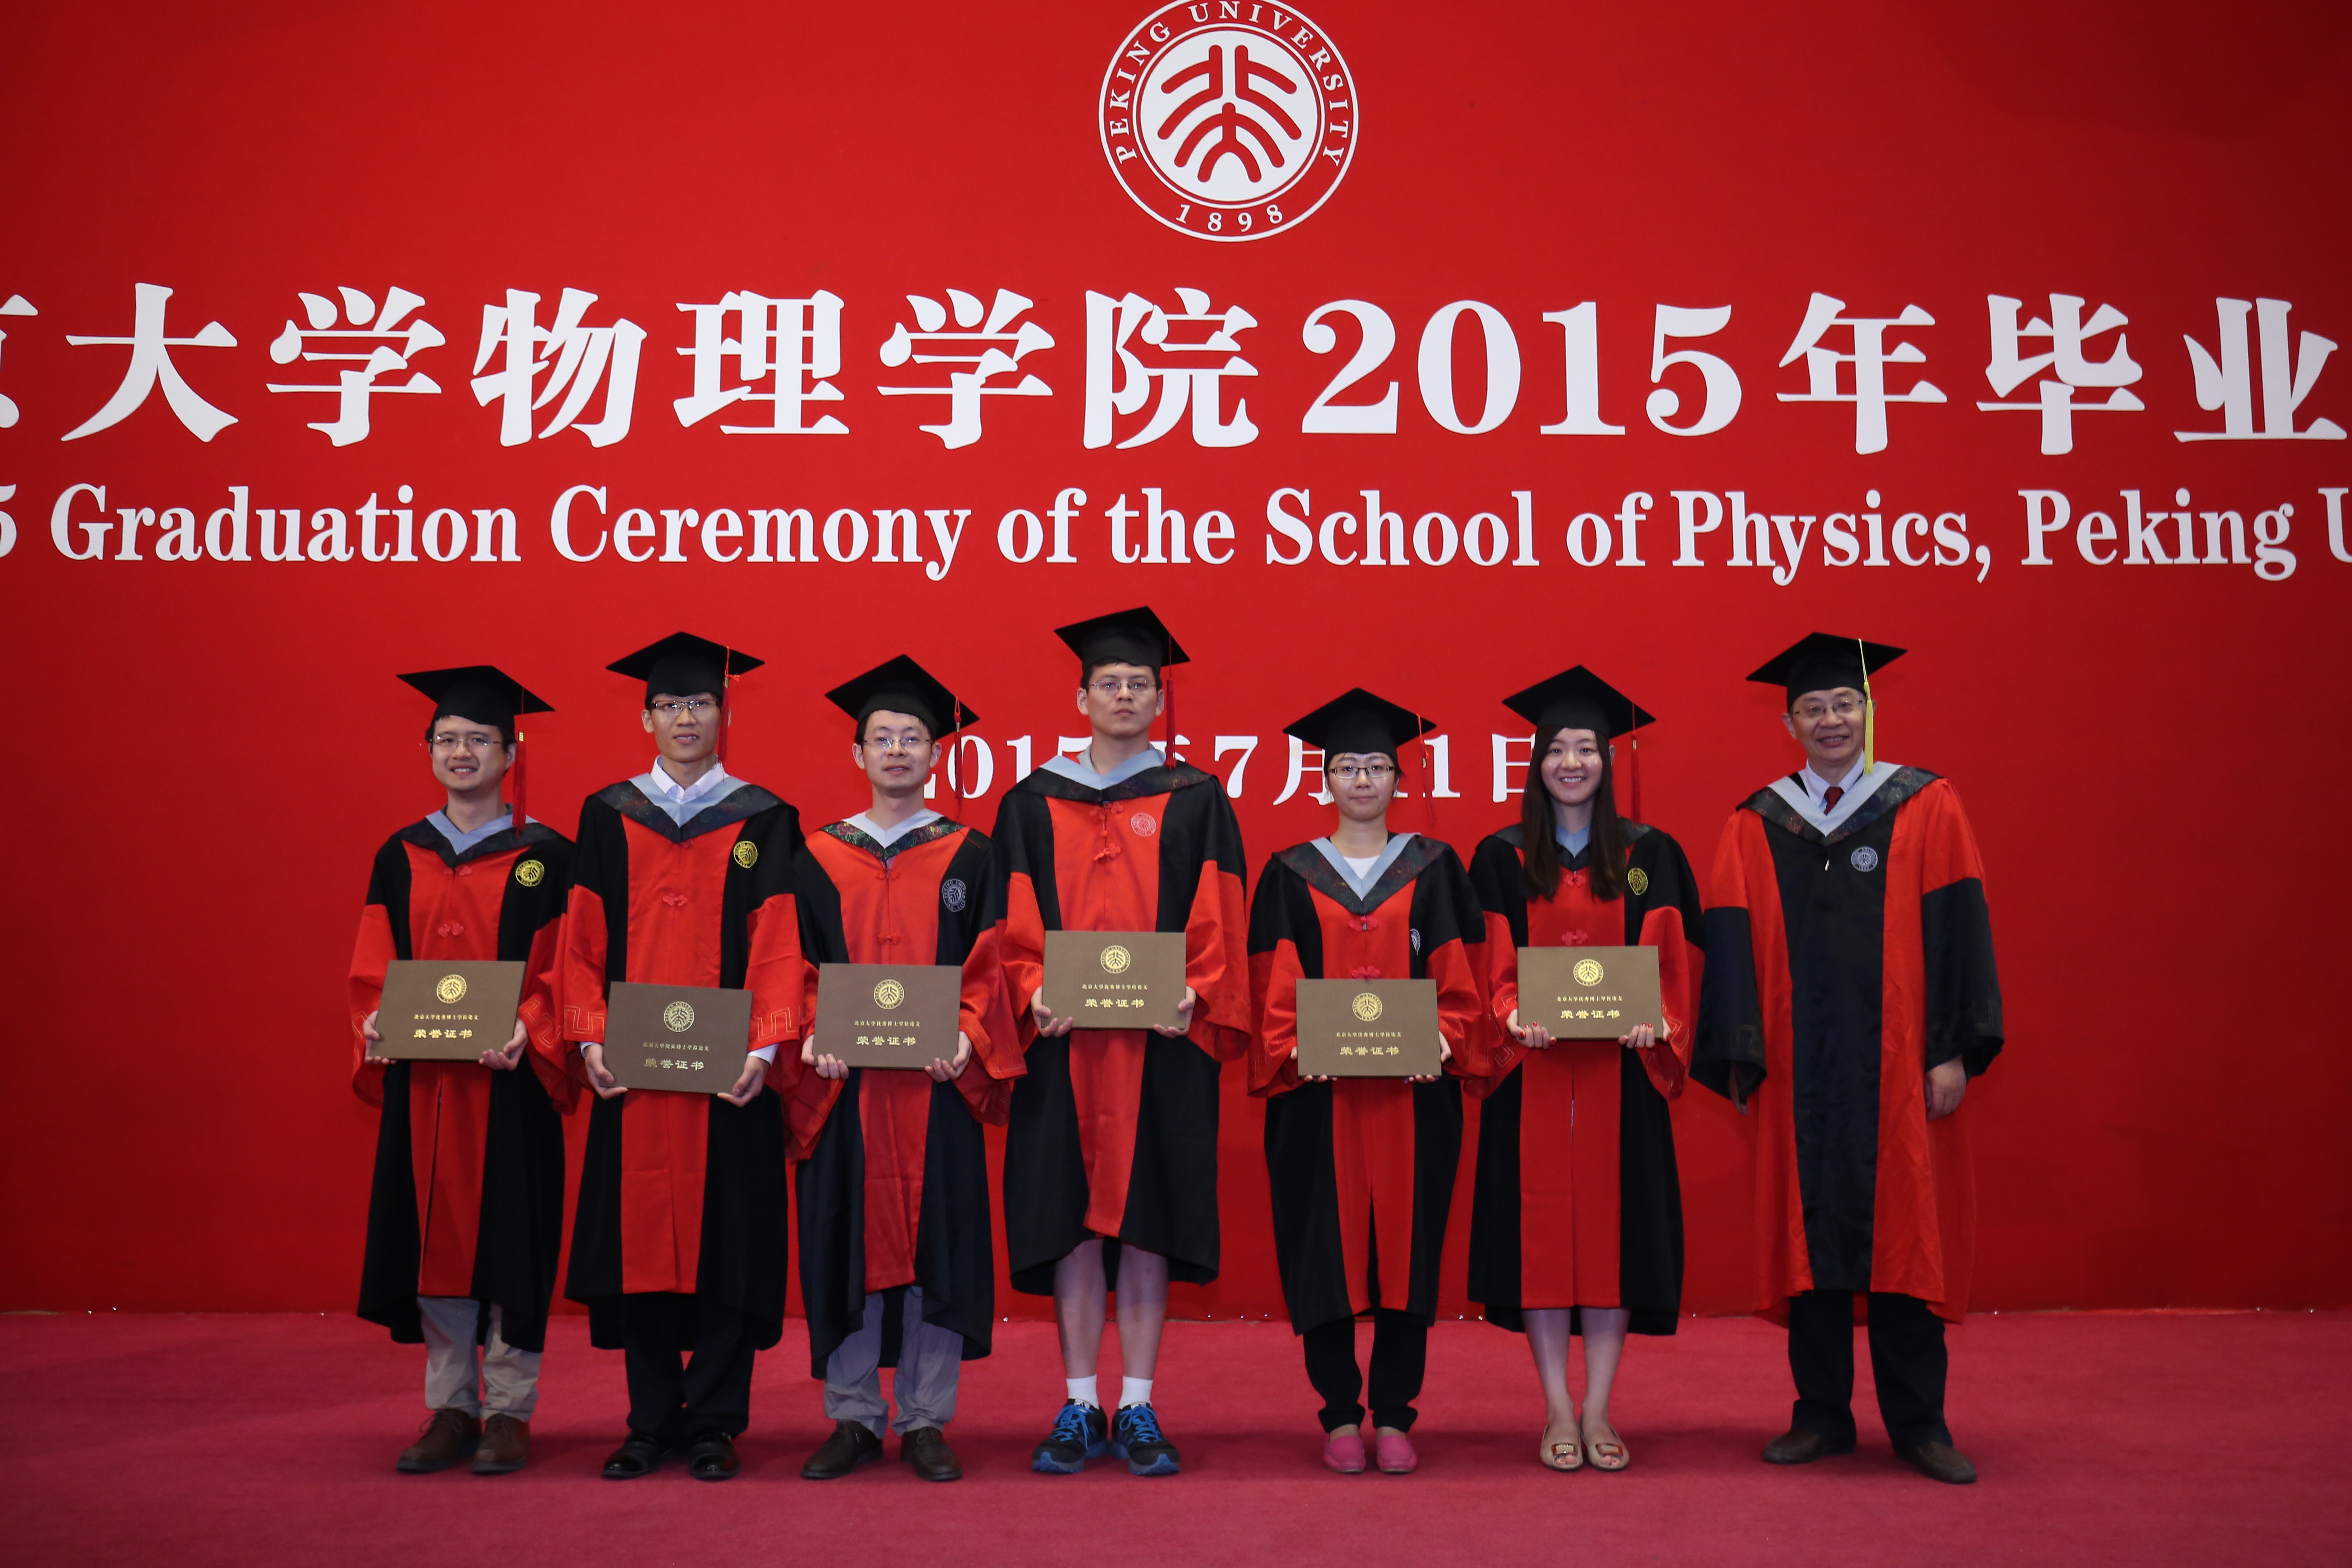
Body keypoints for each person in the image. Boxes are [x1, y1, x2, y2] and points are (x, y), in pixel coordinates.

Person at [1695, 633, 2002, 1486]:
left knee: (1906, 1237)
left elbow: (1959, 927)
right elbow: (1732, 940)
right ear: (1790, 723)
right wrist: (1744, 1056)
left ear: (1867, 711)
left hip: (1899, 1066)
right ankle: (1821, 1416)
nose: (1830, 719)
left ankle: (1920, 1424)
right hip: (1799, 1071)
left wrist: (1950, 1050)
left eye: (1844, 704)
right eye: (1813, 708)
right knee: (1810, 1243)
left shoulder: (1926, 804)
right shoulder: (1758, 821)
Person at [984, 606, 1251, 1477]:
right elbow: (1009, 917)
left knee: (1146, 1221)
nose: (1126, 695)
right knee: (1071, 1222)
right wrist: (1031, 988)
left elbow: (1221, 908)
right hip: (1062, 1045)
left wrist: (1197, 990)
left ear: (1158, 700)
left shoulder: (1196, 798)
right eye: (1111, 683)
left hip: (1161, 1044)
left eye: (1141, 684)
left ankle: (1136, 1401)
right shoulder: (1031, 802)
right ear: (1082, 698)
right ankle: (1078, 1401)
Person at [559, 632, 808, 1483]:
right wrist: (590, 1036)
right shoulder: (608, 815)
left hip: (729, 1076)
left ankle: (716, 1423)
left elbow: (779, 938)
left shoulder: (764, 817)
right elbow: (581, 936)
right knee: (640, 1248)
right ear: (646, 718)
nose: (686, 718)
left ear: (723, 713)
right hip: (634, 1075)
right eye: (669, 705)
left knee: (727, 1247)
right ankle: (649, 1420)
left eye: (700, 703)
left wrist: (766, 1047)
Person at [1464, 667, 1706, 1474]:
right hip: (1531, 1072)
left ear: (1608, 759)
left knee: (1613, 1237)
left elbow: (1678, 955)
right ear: (1535, 762)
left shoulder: (1651, 854)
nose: (1572, 763)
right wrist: (1507, 1014)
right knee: (1538, 1240)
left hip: (1621, 1076)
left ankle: (1599, 1407)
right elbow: (1482, 959)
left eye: (1588, 749)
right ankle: (1556, 1409)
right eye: (1557, 749)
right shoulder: (1500, 857)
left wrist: (1660, 1020)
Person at [1247, 688, 1490, 1477]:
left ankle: (1394, 1413)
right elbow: (1270, 982)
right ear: (1324, 779)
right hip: (1317, 1097)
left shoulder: (1436, 868)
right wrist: (1293, 1049)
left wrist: (1443, 1040)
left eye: (1377, 766)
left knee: (1409, 1250)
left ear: (1397, 779)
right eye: (1348, 766)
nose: (1362, 779)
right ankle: (1339, 1413)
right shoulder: (1289, 874)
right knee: (1323, 1248)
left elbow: (1463, 975)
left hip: (1415, 1096)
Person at [790, 656, 1020, 1484]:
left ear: (935, 753)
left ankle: (926, 1419)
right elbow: (791, 962)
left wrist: (969, 1033)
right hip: (844, 1089)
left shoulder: (972, 855)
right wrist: (810, 1030)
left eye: (912, 737)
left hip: (935, 1085)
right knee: (845, 1241)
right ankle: (853, 1416)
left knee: (939, 1247)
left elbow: (995, 964)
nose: (896, 750)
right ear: (857, 753)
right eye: (881, 737)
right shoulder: (815, 856)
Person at [349, 666, 573, 1477]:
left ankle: (509, 1409)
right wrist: (375, 1020)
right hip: (428, 1087)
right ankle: (451, 1405)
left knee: (512, 1240)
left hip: (510, 1083)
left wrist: (532, 1026)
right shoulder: (400, 854)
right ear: (429, 751)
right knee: (435, 1238)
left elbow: (572, 968)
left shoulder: (549, 857)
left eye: (479, 739)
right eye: (447, 739)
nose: (462, 752)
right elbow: (374, 961)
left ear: (511, 752)